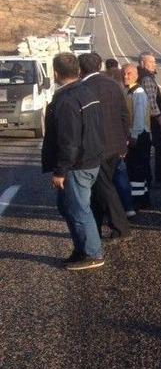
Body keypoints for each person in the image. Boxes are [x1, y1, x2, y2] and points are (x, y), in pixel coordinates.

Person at [41, 52, 105, 271]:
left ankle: (93, 253)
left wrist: (60, 170)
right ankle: (81, 248)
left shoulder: (67, 100)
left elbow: (68, 140)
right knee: (67, 206)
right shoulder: (86, 92)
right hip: (89, 159)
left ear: (56, 73)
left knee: (78, 209)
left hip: (77, 165)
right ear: (77, 70)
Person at [78, 53, 132, 241]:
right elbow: (124, 114)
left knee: (104, 188)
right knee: (100, 189)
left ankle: (121, 228)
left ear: (81, 69)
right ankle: (97, 226)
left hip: (96, 147)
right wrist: (125, 140)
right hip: (115, 146)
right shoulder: (113, 85)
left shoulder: (83, 88)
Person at [122, 63, 152, 210]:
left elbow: (139, 116)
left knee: (136, 169)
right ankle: (144, 198)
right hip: (137, 135)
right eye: (124, 73)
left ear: (136, 75)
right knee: (137, 168)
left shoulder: (138, 92)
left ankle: (138, 199)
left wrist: (134, 135)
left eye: (129, 74)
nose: (125, 76)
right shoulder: (129, 91)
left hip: (140, 135)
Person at [138, 52, 161, 186]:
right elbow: (152, 102)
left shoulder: (142, 76)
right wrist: (160, 120)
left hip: (147, 120)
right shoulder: (147, 79)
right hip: (153, 121)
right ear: (143, 64)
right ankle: (160, 178)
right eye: (151, 62)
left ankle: (149, 177)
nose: (154, 64)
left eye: (154, 62)